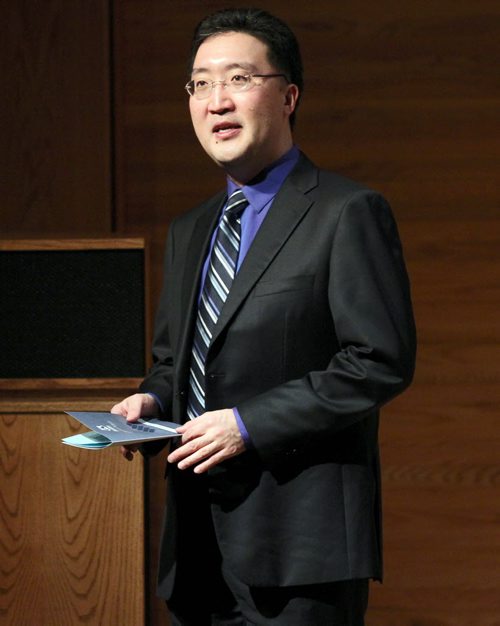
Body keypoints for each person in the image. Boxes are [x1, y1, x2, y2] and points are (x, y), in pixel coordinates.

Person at [112, 7, 416, 625]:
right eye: (200, 84)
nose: (216, 101)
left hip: (301, 552)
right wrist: (151, 400)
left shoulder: (346, 211)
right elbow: (178, 362)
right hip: (197, 551)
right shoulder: (191, 229)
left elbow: (378, 362)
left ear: (288, 95)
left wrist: (247, 425)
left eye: (239, 79)